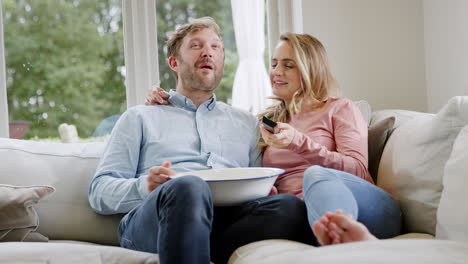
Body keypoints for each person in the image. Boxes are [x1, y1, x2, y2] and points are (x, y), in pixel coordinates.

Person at [88, 17, 312, 264]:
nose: (208, 52)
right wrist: (146, 186)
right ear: (174, 62)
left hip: (226, 221)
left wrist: (263, 191)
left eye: (216, 47)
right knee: (189, 186)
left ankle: (194, 248)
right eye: (196, 45)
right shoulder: (139, 117)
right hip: (158, 218)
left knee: (288, 207)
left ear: (222, 63)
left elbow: (258, 179)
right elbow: (99, 192)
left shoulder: (246, 122)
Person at [147, 32, 402, 246]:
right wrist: (169, 103)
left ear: (310, 69)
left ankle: (344, 238)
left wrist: (299, 143)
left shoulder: (339, 108)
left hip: (365, 206)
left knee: (315, 174)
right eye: (274, 64)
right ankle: (337, 245)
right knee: (285, 205)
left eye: (288, 65)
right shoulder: (269, 121)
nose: (276, 72)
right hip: (302, 216)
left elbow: (358, 170)